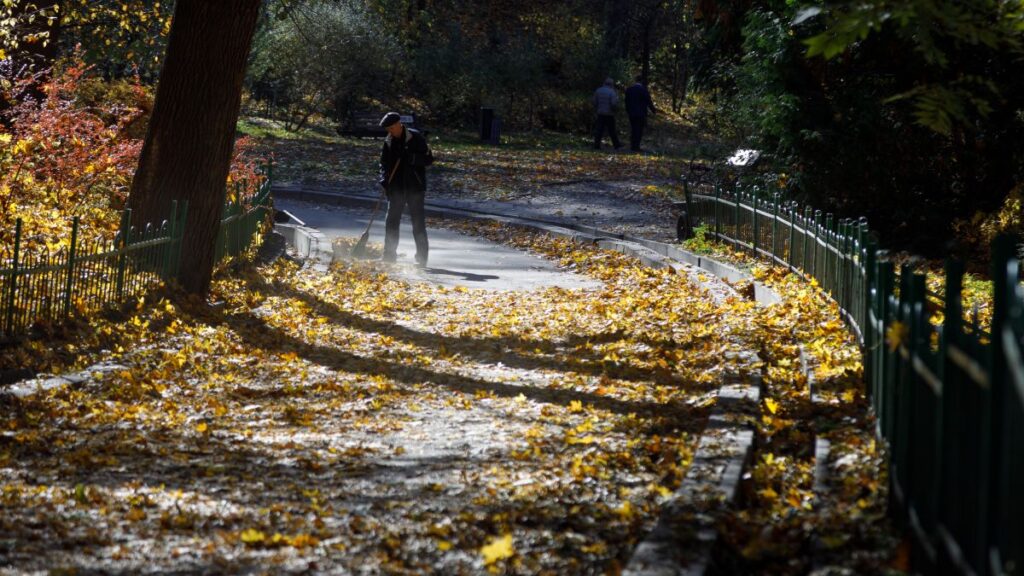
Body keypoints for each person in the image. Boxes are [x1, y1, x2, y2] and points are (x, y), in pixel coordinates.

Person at [378, 112, 434, 266]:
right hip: (395, 188)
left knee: (418, 224)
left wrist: (412, 158)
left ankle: (422, 258)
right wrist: (383, 179)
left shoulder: (416, 137)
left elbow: (429, 159)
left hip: (415, 188)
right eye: (388, 129)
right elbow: (383, 163)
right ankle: (389, 256)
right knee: (391, 222)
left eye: (391, 128)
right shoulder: (389, 141)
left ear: (399, 124)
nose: (390, 132)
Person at [625, 75, 657, 152]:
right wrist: (653, 110)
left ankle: (632, 145)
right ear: (642, 81)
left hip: (632, 112)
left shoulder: (629, 89)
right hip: (641, 113)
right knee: (639, 129)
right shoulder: (643, 90)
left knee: (633, 129)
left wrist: (628, 110)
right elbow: (648, 101)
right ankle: (636, 146)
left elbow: (626, 101)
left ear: (635, 80)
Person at [592, 77, 623, 150]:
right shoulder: (612, 92)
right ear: (611, 84)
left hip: (600, 113)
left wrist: (597, 108)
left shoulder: (598, 90)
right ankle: (617, 145)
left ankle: (596, 145)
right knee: (612, 130)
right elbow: (613, 104)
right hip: (609, 114)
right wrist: (616, 108)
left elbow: (594, 101)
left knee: (599, 130)